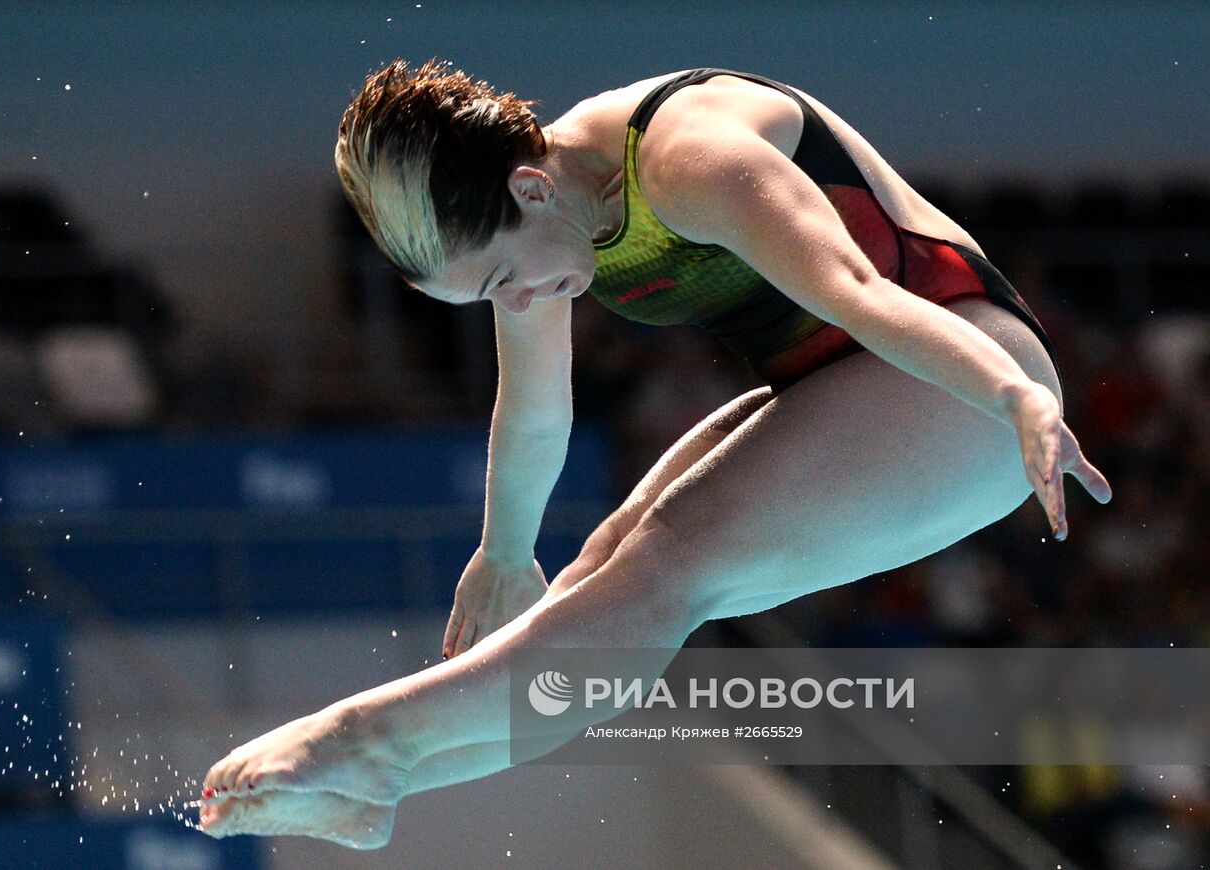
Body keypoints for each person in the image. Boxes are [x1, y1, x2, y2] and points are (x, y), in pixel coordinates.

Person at [196, 60, 1112, 846]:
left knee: (670, 566)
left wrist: (1014, 395)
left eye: (505, 280)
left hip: (963, 378)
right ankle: (389, 784)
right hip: (852, 386)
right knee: (603, 582)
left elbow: (861, 292)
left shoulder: (688, 158)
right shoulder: (540, 214)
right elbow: (534, 410)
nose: (519, 305)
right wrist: (507, 554)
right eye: (489, 299)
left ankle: (367, 736)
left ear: (531, 189)